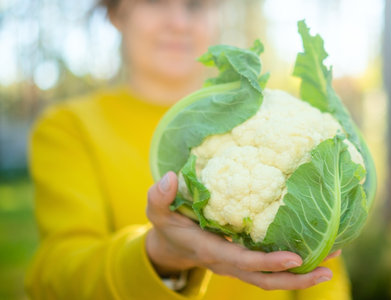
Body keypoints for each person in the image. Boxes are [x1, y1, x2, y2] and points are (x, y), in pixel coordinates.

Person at [26, 0, 351, 299]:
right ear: (116, 12)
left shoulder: (278, 118)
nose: (179, 22)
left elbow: (325, 279)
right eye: (155, 2)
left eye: (196, 5)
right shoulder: (70, 127)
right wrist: (158, 255)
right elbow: (55, 275)